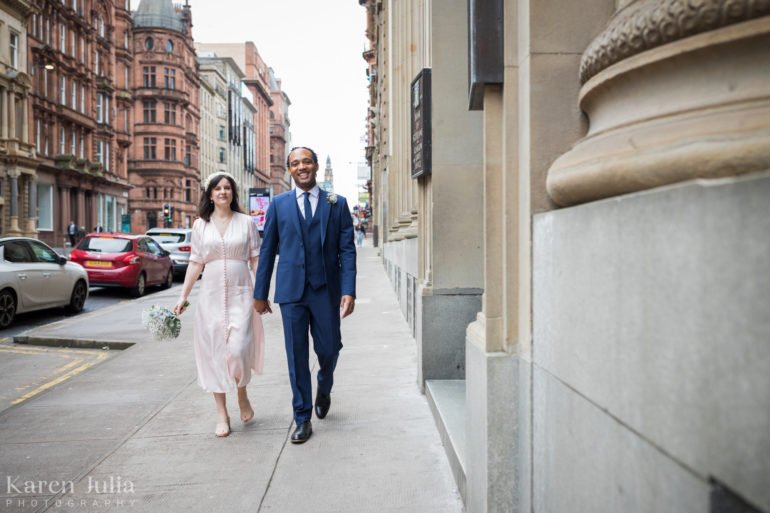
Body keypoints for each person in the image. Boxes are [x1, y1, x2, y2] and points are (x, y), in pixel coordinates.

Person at [253, 146, 356, 444]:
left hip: (325, 291)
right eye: (295, 163)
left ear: (314, 166)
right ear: (290, 169)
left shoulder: (337, 203)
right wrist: (260, 293)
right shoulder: (279, 205)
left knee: (330, 349)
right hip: (291, 293)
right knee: (296, 357)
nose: (302, 167)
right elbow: (268, 250)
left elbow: (347, 250)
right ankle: (302, 417)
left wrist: (348, 289)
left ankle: (325, 384)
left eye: (307, 161)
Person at [173, 172, 265, 438]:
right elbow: (195, 262)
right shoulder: (200, 226)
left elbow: (256, 259)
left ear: (233, 193)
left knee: (237, 349)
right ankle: (221, 414)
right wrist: (183, 296)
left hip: (241, 294)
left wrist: (262, 293)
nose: (223, 192)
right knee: (214, 354)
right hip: (211, 296)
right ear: (210, 194)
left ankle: (242, 393)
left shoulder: (247, 222)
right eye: (218, 188)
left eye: (227, 188)